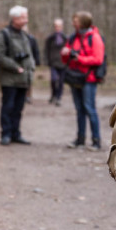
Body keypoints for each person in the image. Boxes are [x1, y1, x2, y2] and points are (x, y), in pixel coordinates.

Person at [61, 11, 104, 151]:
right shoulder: (73, 37)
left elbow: (98, 59)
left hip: (89, 79)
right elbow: (66, 60)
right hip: (75, 76)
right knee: (79, 109)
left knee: (89, 109)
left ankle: (96, 140)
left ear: (83, 22)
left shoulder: (95, 38)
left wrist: (79, 58)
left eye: (76, 21)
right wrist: (66, 54)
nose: (74, 23)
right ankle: (80, 139)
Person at [0, 5, 35, 146]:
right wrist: (15, 67)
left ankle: (16, 134)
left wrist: (31, 70)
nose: (26, 19)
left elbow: (29, 57)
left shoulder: (24, 35)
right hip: (9, 79)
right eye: (24, 17)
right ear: (15, 18)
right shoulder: (4, 35)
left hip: (23, 79)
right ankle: (6, 134)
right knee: (8, 107)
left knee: (18, 108)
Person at [44, 18, 67, 106]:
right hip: (53, 62)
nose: (57, 28)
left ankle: (59, 97)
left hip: (63, 63)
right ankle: (53, 94)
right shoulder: (50, 38)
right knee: (54, 80)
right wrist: (47, 60)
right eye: (56, 26)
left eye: (59, 26)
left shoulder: (65, 38)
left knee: (61, 81)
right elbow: (46, 50)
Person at [24, 29, 40, 104]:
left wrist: (37, 61)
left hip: (30, 62)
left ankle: (28, 96)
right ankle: (23, 96)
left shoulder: (31, 39)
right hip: (20, 63)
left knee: (29, 79)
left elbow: (35, 50)